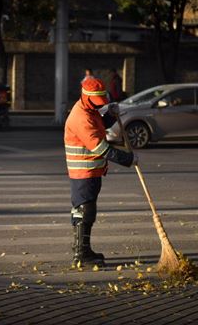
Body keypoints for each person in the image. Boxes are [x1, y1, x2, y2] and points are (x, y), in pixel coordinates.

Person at [64, 77, 138, 267]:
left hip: (91, 170)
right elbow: (101, 148)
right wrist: (128, 159)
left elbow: (99, 126)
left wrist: (110, 116)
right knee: (84, 210)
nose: (99, 106)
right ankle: (81, 254)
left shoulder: (89, 109)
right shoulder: (81, 117)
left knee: (87, 210)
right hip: (83, 171)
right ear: (86, 97)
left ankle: (84, 248)